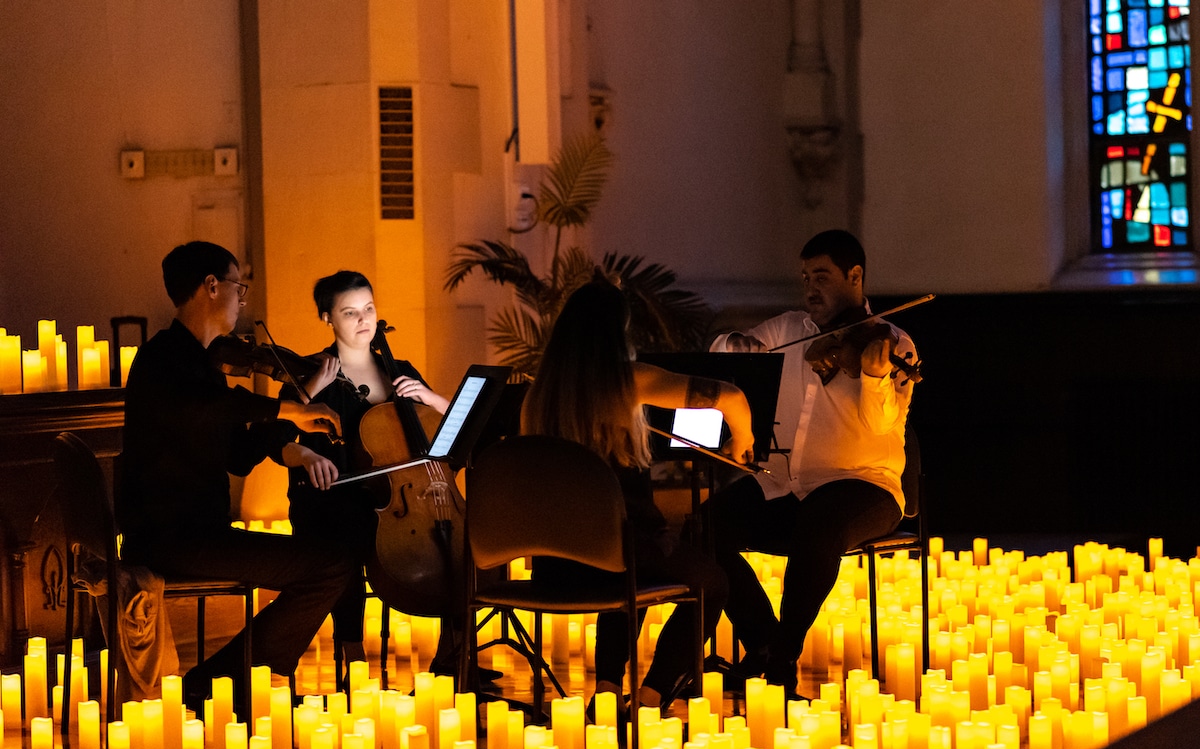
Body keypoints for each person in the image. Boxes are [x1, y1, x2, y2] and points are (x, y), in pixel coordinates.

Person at [118, 241, 358, 713]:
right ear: (211, 287)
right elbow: (210, 410)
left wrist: (295, 422)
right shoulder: (161, 361)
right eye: (237, 286)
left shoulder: (198, 366)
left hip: (195, 533)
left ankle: (222, 683)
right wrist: (288, 404)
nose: (242, 298)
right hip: (172, 538)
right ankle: (222, 684)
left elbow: (239, 455)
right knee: (331, 566)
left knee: (333, 561)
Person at [522, 278, 756, 713]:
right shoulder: (629, 382)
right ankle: (651, 696)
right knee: (711, 583)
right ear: (616, 333)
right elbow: (732, 397)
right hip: (616, 554)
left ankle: (608, 693)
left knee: (634, 563)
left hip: (556, 563)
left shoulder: (538, 396)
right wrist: (741, 439)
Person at [706, 229, 917, 697]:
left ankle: (782, 661)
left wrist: (876, 374)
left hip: (865, 486)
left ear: (855, 276)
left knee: (819, 527)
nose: (810, 287)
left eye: (821, 276)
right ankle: (762, 639)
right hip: (787, 484)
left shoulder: (892, 342)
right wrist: (734, 346)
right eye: (804, 277)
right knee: (706, 529)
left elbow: (880, 424)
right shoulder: (787, 330)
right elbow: (725, 354)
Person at [279, 270, 474, 679]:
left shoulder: (399, 370)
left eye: (368, 309)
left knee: (458, 539)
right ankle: (353, 651)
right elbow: (279, 440)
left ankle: (453, 650)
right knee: (344, 531)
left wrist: (433, 399)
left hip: (404, 499)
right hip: (337, 498)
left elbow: (452, 436)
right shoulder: (310, 375)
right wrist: (304, 448)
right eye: (349, 312)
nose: (363, 320)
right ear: (326, 318)